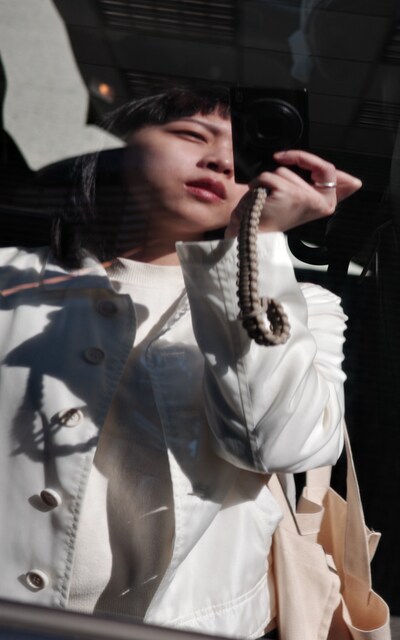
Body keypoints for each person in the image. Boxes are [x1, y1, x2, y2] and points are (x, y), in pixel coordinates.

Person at [0, 86, 362, 639]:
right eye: (192, 134)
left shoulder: (304, 309)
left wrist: (254, 244)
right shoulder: (12, 280)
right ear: (111, 148)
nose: (221, 161)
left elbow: (277, 445)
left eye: (243, 155)